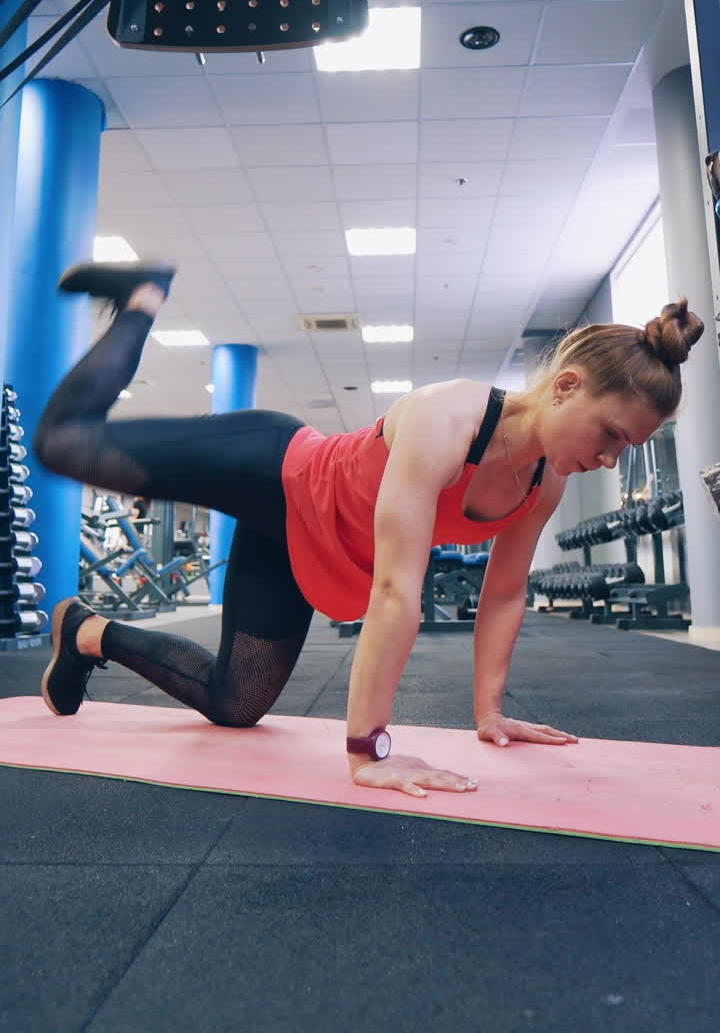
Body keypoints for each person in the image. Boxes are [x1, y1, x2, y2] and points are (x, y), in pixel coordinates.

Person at [35, 262, 704, 801]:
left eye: (626, 449)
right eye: (610, 435)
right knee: (65, 444)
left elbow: (503, 594)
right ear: (565, 387)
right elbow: (394, 593)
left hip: (303, 547)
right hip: (274, 472)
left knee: (235, 705)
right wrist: (368, 749)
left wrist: (489, 712)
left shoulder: (543, 483)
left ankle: (88, 632)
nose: (609, 459)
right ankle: (142, 300)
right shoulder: (446, 420)